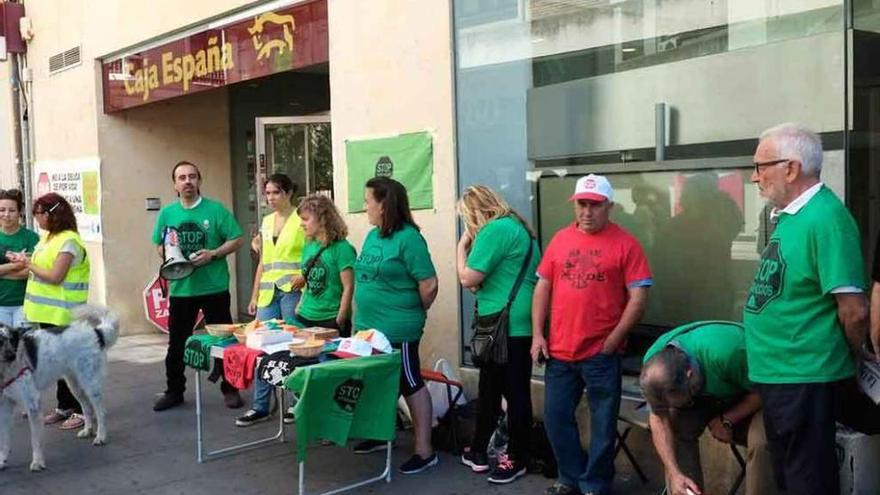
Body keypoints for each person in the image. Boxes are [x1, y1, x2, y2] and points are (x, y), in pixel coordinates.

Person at [743, 123, 870, 495]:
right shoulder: (792, 216)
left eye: (761, 166)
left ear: (791, 168)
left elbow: (854, 310)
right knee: (788, 473)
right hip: (780, 372)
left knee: (806, 478)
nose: (755, 177)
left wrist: (855, 354)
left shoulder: (826, 219)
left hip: (805, 372)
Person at [531, 174, 652, 495]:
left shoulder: (626, 244)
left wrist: (614, 339)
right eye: (582, 204)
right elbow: (543, 286)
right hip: (559, 350)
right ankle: (570, 477)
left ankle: (594, 484)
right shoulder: (560, 240)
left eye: (594, 205)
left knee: (603, 425)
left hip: (601, 352)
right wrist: (537, 336)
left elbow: (639, 296)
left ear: (609, 206)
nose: (587, 211)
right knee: (555, 418)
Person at [236, 193, 355, 427]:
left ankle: (329, 419)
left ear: (322, 219)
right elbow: (307, 278)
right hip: (305, 315)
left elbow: (348, 286)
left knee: (327, 370)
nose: (301, 224)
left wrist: (341, 316)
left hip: (330, 319)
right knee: (297, 364)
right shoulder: (309, 246)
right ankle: (302, 409)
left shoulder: (342, 249)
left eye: (306, 219)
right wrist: (300, 304)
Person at [352, 177, 439, 475]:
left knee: (409, 382)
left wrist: (412, 310)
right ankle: (380, 434)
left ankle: (425, 450)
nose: (365, 206)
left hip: (398, 329)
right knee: (376, 381)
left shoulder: (409, 238)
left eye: (368, 201)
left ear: (384, 204)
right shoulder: (373, 235)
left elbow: (428, 284)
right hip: (368, 328)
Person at [456, 185, 538, 484]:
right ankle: (479, 448)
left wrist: (461, 246)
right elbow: (489, 279)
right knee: (493, 388)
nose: (468, 226)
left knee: (513, 393)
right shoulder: (520, 229)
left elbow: (468, 278)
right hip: (518, 320)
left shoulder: (494, 230)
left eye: (467, 219)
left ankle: (516, 457)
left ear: (474, 213)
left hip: (503, 324)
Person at [640, 321, 778, 495]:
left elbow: (767, 389)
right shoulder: (653, 367)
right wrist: (674, 473)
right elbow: (659, 418)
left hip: (755, 392)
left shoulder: (728, 354)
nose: (672, 407)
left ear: (690, 375)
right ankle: (685, 490)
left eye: (677, 401)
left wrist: (727, 419)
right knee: (677, 428)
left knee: (762, 443)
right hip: (707, 395)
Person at [152, 161, 245, 411]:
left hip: (214, 287)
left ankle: (231, 389)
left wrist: (213, 254)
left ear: (199, 181)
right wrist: (171, 255)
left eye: (192, 176)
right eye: (181, 177)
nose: (187, 181)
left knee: (224, 342)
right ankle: (174, 391)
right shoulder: (168, 213)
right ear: (175, 184)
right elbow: (159, 244)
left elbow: (237, 238)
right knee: (177, 342)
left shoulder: (215, 210)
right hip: (183, 289)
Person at [7, 193, 90, 431]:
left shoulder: (69, 241)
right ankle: (64, 407)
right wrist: (25, 260)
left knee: (70, 367)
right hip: (47, 314)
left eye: (39, 215)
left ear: (51, 214)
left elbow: (55, 276)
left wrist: (27, 264)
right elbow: (40, 267)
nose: (37, 220)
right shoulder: (48, 239)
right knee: (57, 365)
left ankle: (82, 412)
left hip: (64, 315)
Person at [0, 189, 39, 327]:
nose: (6, 215)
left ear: (19, 212)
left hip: (25, 304)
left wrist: (3, 272)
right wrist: (16, 265)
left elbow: (31, 271)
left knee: (24, 347)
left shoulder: (31, 238)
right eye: (2, 210)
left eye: (11, 210)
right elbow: (23, 268)